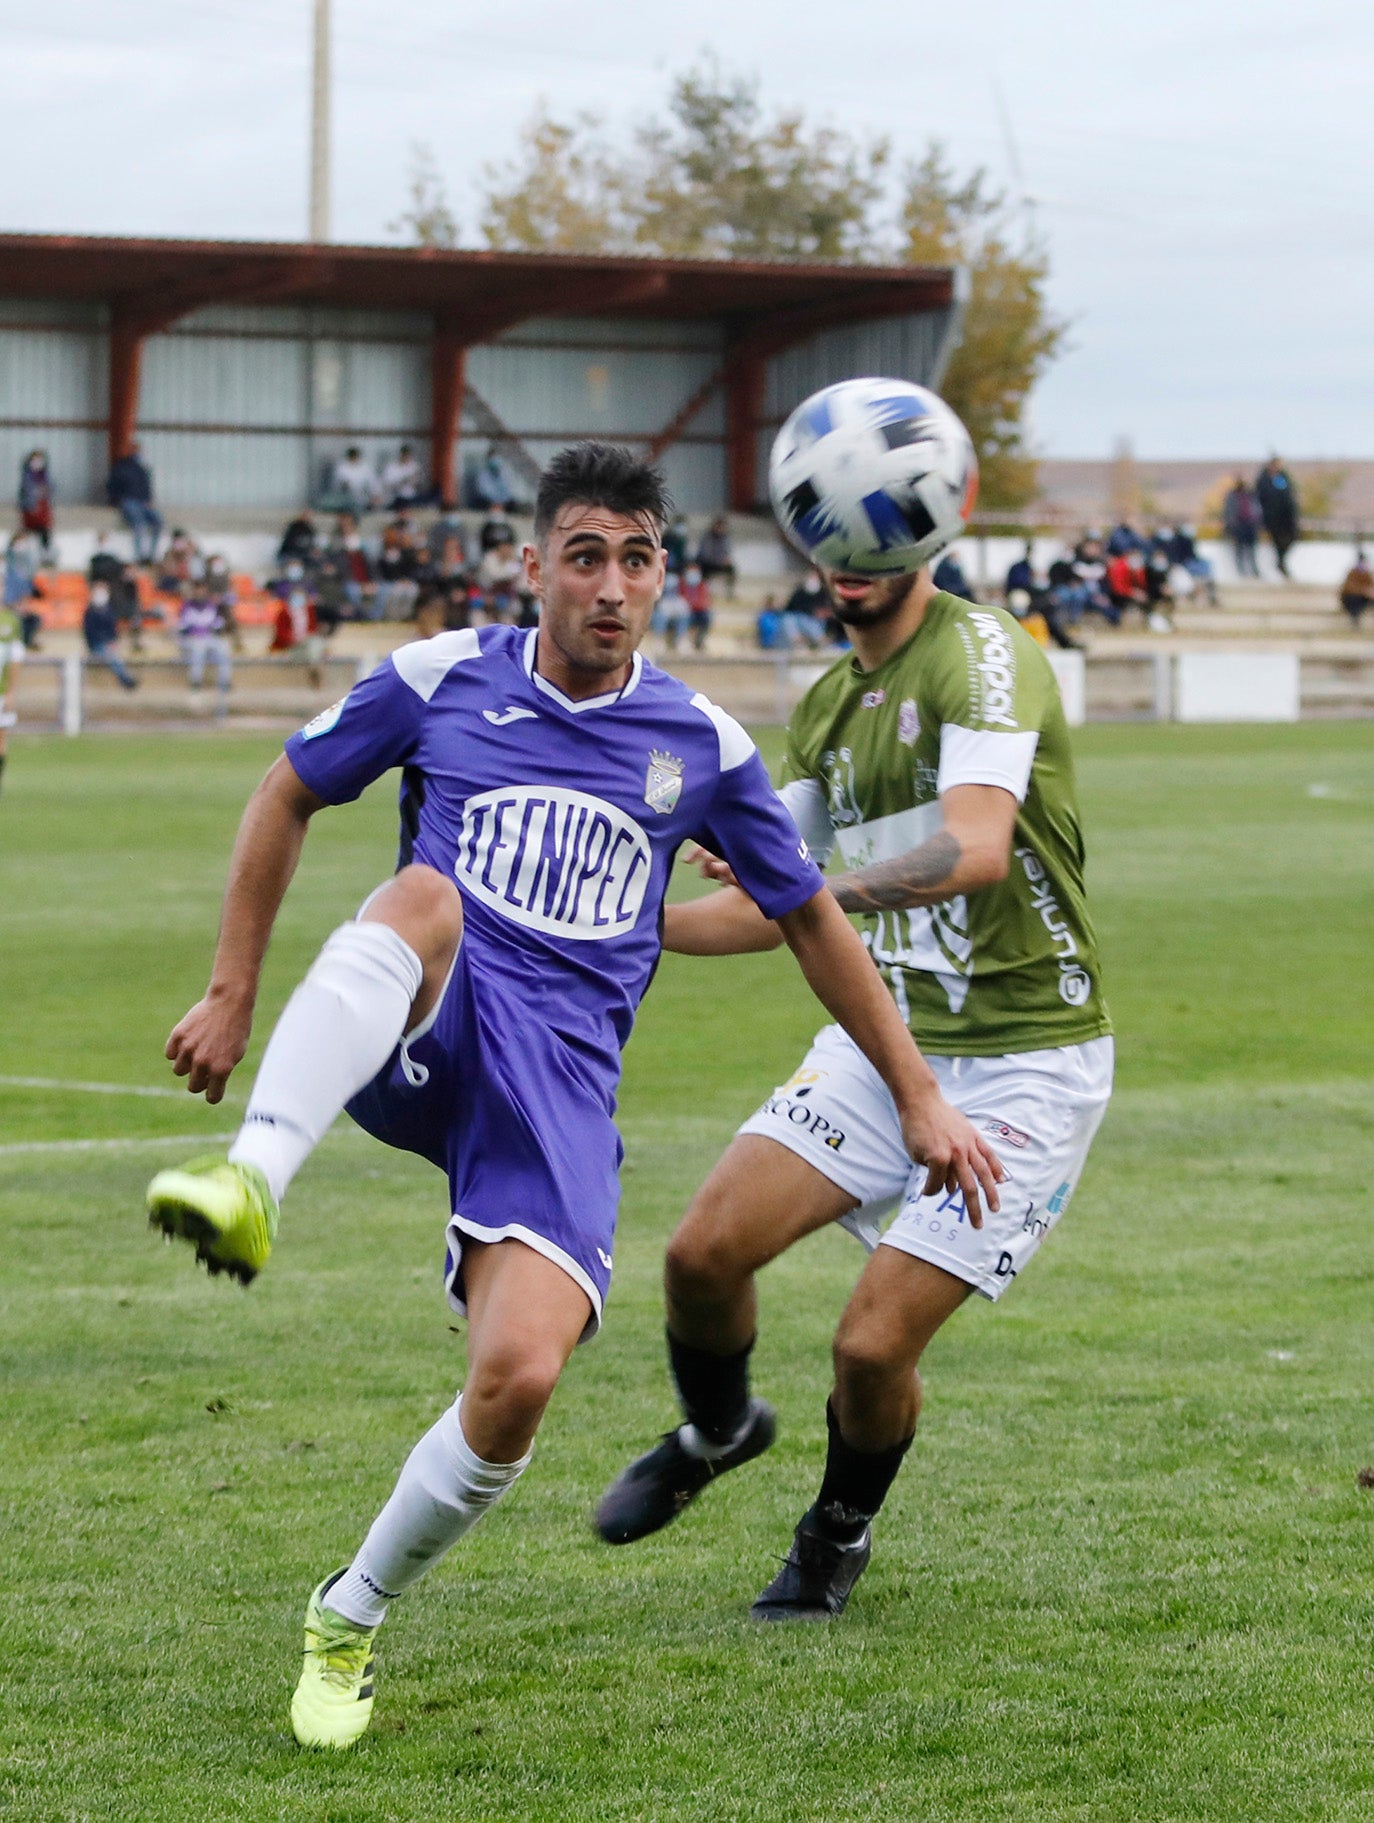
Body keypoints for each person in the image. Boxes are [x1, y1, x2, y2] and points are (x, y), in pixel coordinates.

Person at [144, 442, 1001, 1749]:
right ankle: (252, 1176)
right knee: (429, 895)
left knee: (518, 1377)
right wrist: (229, 989)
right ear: (532, 564)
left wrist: (919, 1094)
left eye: (637, 557)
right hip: (428, 1018)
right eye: (585, 554)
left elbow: (810, 918)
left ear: (665, 576)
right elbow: (288, 789)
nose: (610, 584)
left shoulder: (701, 745)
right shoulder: (436, 680)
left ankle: (348, 1613)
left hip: (553, 1095)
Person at [595, 547, 1111, 1624]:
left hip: (1029, 1060)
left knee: (871, 1346)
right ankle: (720, 1429)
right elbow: (774, 900)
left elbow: (971, 847)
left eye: (877, 542)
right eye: (831, 540)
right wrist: (630, 923)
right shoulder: (830, 704)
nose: (849, 565)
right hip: (892, 1042)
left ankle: (835, 1530)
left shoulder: (981, 653)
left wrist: (804, 874)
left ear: (920, 539)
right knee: (700, 1254)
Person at [106, 441, 162, 564]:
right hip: (128, 501)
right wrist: (113, 501)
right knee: (138, 523)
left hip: (142, 502)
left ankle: (151, 556)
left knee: (158, 522)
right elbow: (112, 485)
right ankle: (139, 556)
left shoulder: (142, 468)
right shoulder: (121, 467)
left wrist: (148, 500)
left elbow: (147, 486)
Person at [177, 584, 233, 695]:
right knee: (199, 648)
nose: (200, 593)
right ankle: (196, 681)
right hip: (192, 639)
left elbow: (218, 624)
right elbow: (182, 626)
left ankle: (224, 681)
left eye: (203, 591)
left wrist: (213, 628)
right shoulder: (187, 606)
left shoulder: (212, 606)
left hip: (208, 637)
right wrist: (192, 631)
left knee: (224, 647)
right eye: (198, 591)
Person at [82, 581, 138, 690]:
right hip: (96, 645)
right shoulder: (90, 612)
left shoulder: (109, 610)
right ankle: (125, 680)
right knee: (112, 656)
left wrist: (114, 641)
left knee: (115, 654)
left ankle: (126, 679)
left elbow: (113, 630)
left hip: (109, 644)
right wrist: (106, 642)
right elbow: (90, 633)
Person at [1256, 457, 1300, 577]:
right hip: (1272, 518)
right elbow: (1260, 497)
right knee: (1278, 541)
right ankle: (1280, 563)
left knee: (1292, 537)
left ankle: (1281, 562)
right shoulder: (1264, 480)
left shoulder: (1283, 478)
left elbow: (1289, 494)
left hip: (1286, 517)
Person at [0, 598, 23, 795]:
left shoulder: (9, 621)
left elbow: (15, 658)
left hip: (0, 691)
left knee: (1, 738)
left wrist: (10, 692)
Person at [1222, 477, 1261, 578]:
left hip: (1250, 525)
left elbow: (1257, 510)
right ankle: (1241, 571)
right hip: (1238, 526)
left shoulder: (1251, 496)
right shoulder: (1232, 496)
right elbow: (1228, 512)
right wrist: (1231, 525)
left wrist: (1257, 524)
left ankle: (1254, 570)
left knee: (1252, 549)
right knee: (1239, 550)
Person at [780, 570, 829, 649]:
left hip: (815, 620)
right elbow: (789, 608)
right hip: (798, 618)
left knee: (812, 623)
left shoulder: (823, 593)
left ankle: (821, 640)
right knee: (789, 619)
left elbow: (826, 610)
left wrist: (822, 613)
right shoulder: (799, 592)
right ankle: (797, 640)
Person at [18, 449, 53, 555]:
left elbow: (51, 489)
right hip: (30, 509)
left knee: (44, 531)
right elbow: (24, 492)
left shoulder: (46, 475)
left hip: (42, 509)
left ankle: (45, 552)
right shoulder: (26, 475)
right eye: (34, 459)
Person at [695, 517, 735, 599]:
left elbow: (727, 551)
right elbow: (705, 553)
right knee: (703, 567)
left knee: (731, 569)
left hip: (719, 563)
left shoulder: (725, 538)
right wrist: (719, 560)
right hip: (707, 563)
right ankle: (702, 592)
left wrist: (726, 559)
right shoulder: (707, 537)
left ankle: (730, 593)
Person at [332, 447, 378, 512]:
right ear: (348, 457)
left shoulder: (365, 468)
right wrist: (343, 484)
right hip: (345, 501)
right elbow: (336, 484)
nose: (354, 458)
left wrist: (374, 495)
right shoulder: (341, 468)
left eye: (355, 457)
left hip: (363, 500)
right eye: (352, 457)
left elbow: (373, 483)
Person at [381, 443, 426, 509]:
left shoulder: (414, 466)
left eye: (408, 455)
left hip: (412, 498)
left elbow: (421, 484)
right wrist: (402, 482)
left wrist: (415, 482)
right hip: (396, 499)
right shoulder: (392, 467)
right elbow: (386, 485)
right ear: (401, 454)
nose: (406, 457)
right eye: (404, 455)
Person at [680, 564, 712, 651]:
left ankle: (700, 641)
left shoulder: (702, 585)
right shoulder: (682, 584)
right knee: (684, 616)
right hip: (686, 611)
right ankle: (684, 641)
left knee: (707, 616)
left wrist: (695, 604)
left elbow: (704, 600)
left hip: (699, 610)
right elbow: (682, 600)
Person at [1338, 551, 1374, 627]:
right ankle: (1355, 619)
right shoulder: (1352, 573)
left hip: (1363, 597)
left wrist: (1369, 592)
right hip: (1351, 598)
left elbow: (1370, 586)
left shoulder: (1367, 574)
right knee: (1354, 599)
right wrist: (1364, 591)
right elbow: (1349, 588)